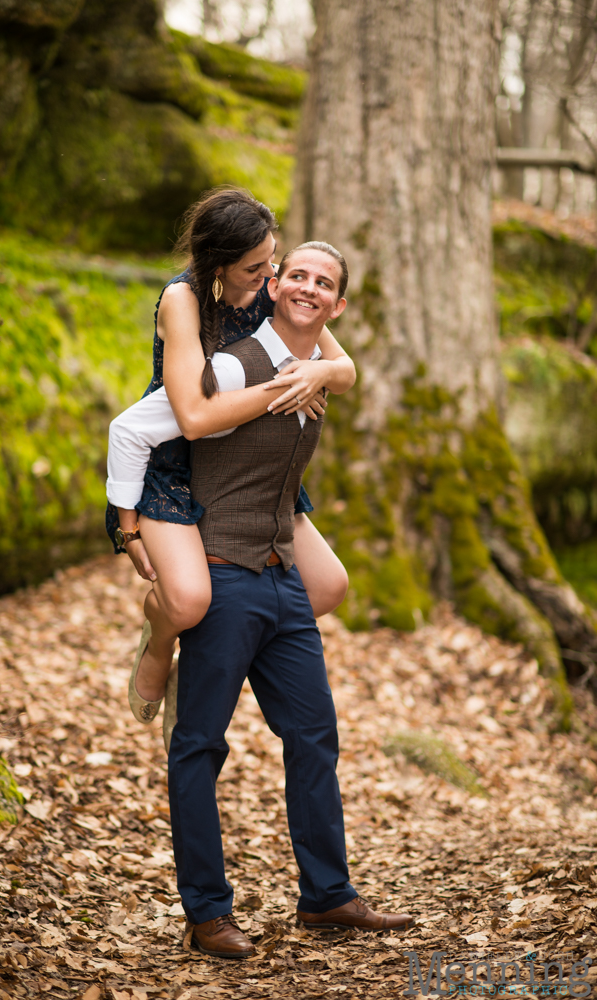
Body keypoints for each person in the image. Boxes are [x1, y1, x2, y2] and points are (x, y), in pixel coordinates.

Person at [166, 240, 414, 958]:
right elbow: (167, 431)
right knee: (199, 746)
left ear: (336, 305)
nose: (307, 287)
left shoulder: (321, 372)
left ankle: (327, 896)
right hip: (225, 574)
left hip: (283, 580)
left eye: (323, 282)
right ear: (272, 286)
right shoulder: (228, 366)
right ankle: (207, 913)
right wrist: (144, 533)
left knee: (313, 737)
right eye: (296, 275)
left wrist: (329, 371)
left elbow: (343, 373)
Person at [106, 189, 355, 724]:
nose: (271, 274)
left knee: (329, 584)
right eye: (257, 266)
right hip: (174, 459)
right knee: (189, 600)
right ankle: (161, 636)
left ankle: (216, 655)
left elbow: (346, 369)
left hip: (245, 459)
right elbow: (192, 416)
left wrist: (318, 372)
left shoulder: (268, 286)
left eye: (273, 259)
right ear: (221, 266)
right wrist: (282, 389)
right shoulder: (184, 298)